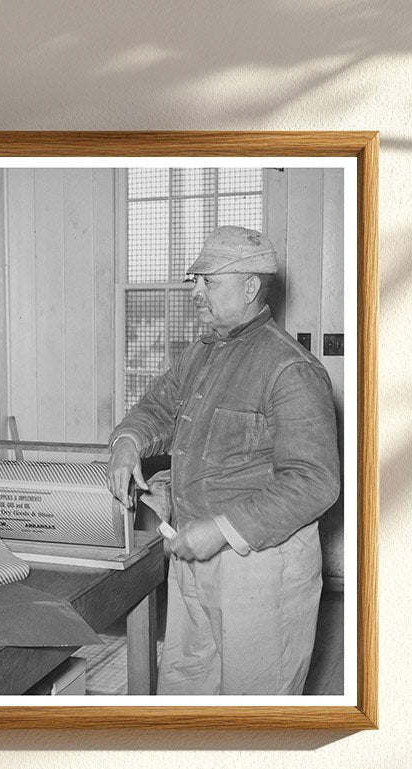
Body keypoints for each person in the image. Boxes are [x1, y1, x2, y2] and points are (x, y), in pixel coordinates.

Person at [106, 226, 341, 696]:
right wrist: (129, 440)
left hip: (260, 565)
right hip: (193, 555)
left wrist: (220, 529)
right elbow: (158, 407)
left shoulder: (290, 368)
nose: (195, 292)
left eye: (208, 282)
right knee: (186, 689)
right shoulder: (204, 350)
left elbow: (314, 481)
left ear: (251, 287)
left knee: (254, 712)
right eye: (196, 281)